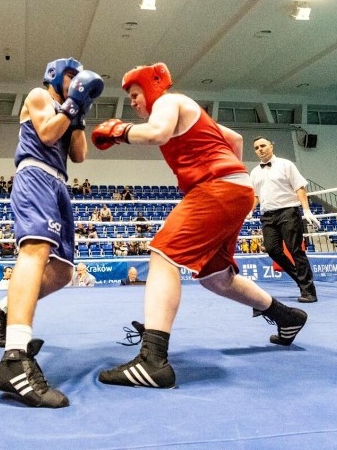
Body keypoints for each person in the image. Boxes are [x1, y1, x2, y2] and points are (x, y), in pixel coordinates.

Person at [91, 62, 307, 389]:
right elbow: (232, 139)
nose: (133, 102)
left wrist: (120, 131)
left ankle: (153, 361)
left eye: (135, 94)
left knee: (162, 254)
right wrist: (229, 173)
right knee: (215, 277)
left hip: (218, 189)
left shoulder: (167, 102)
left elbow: (157, 134)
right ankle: (286, 316)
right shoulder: (188, 110)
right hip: (233, 189)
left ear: (150, 88)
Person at [0, 57, 102, 408]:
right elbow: (47, 134)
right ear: (55, 75)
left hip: (60, 184)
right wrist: (69, 105)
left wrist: (79, 112)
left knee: (63, 272)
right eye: (71, 75)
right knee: (35, 251)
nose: (75, 80)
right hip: (34, 175)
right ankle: (15, 356)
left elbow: (79, 156)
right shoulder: (39, 96)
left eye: (78, 78)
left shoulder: (70, 109)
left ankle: (3, 310)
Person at [250, 137, 321, 303]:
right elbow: (256, 195)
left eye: (263, 145)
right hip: (267, 215)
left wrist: (306, 210)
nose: (260, 149)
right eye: (256, 147)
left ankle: (309, 292)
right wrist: (250, 210)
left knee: (295, 250)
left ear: (271, 146)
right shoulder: (255, 172)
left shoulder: (286, 164)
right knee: (272, 249)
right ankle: (300, 279)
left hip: (287, 212)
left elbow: (300, 187)